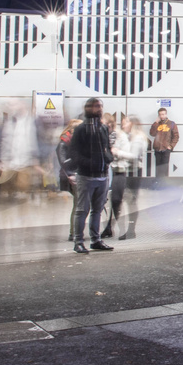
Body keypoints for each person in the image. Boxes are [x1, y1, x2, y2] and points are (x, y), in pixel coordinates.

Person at [66, 98, 114, 253]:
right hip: (86, 176)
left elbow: (107, 148)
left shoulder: (103, 128)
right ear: (87, 108)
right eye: (94, 106)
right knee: (82, 210)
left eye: (99, 106)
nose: (97, 109)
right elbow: (74, 153)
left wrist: (108, 159)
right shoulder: (81, 129)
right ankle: (78, 241)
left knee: (97, 210)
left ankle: (95, 240)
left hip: (102, 175)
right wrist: (89, 163)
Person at [114, 115, 149, 240]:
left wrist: (118, 152)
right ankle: (126, 229)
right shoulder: (131, 137)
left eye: (125, 123)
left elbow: (133, 156)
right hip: (130, 172)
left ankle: (129, 230)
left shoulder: (138, 138)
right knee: (128, 201)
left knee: (130, 201)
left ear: (132, 124)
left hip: (132, 173)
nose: (123, 126)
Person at [102, 111, 130, 240]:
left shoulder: (120, 136)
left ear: (109, 124)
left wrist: (116, 152)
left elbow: (127, 154)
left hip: (118, 170)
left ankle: (122, 229)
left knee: (116, 200)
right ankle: (108, 228)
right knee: (106, 202)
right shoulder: (102, 135)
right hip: (106, 170)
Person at [148, 107, 178, 180]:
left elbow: (176, 136)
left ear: (166, 114)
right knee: (158, 168)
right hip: (158, 149)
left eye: (163, 114)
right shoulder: (157, 124)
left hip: (166, 149)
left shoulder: (171, 124)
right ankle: (158, 183)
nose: (162, 116)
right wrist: (155, 123)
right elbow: (152, 133)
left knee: (165, 168)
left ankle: (164, 183)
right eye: (160, 114)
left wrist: (171, 146)